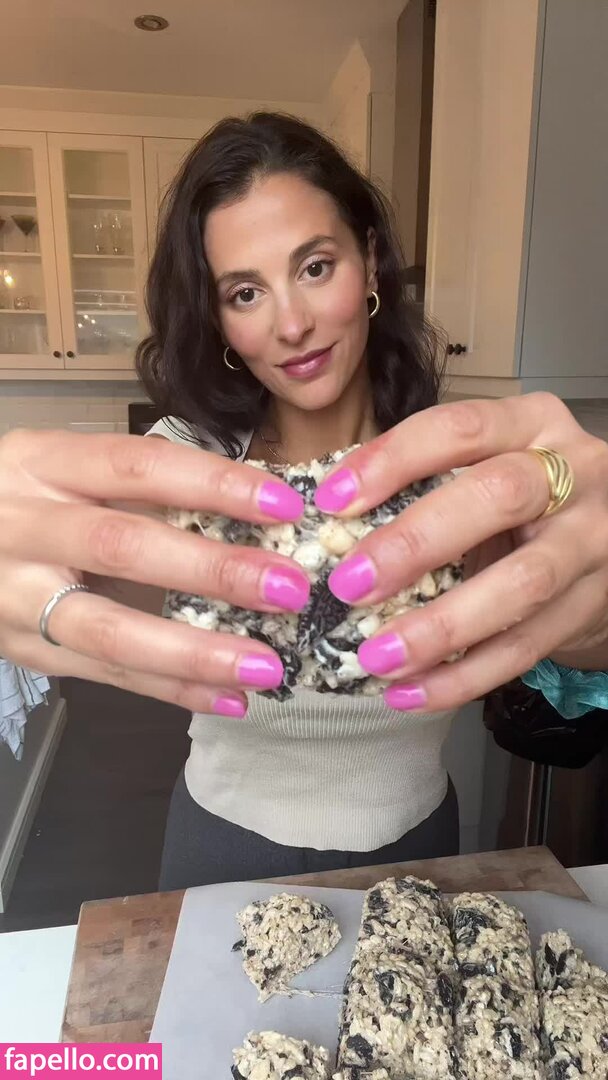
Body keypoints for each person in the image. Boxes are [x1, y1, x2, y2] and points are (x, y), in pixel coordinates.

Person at [1, 113, 607, 890]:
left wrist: (598, 611)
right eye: (245, 292)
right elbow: (85, 562)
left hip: (423, 845)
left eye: (316, 267)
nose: (291, 324)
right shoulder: (178, 466)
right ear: (220, 320)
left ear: (371, 260)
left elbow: (578, 653)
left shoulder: (476, 471)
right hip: (222, 849)